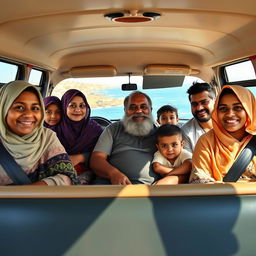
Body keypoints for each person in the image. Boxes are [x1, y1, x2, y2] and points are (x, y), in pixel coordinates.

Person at [0, 81, 78, 185]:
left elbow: (69, 176)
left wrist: (34, 190)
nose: (28, 114)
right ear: (3, 108)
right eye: (19, 107)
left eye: (35, 108)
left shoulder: (47, 137)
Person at [90, 91, 160, 185]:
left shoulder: (161, 133)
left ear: (150, 110)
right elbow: (96, 159)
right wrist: (113, 174)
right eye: (132, 107)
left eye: (143, 107)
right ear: (125, 110)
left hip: (149, 191)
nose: (138, 111)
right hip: (110, 187)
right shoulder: (113, 129)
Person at [190, 85, 256, 183]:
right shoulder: (206, 142)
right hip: (222, 198)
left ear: (249, 109)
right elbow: (199, 182)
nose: (230, 114)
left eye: (238, 108)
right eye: (223, 108)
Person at [55, 89, 103, 184]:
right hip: (58, 176)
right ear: (64, 107)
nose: (78, 110)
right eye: (72, 105)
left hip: (91, 175)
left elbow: (104, 154)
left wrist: (81, 157)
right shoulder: (53, 130)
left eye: (82, 106)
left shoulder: (95, 129)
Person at [181, 82, 216, 152]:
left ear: (215, 101)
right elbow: (190, 161)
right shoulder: (186, 132)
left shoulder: (227, 123)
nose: (199, 108)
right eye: (194, 104)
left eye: (204, 102)